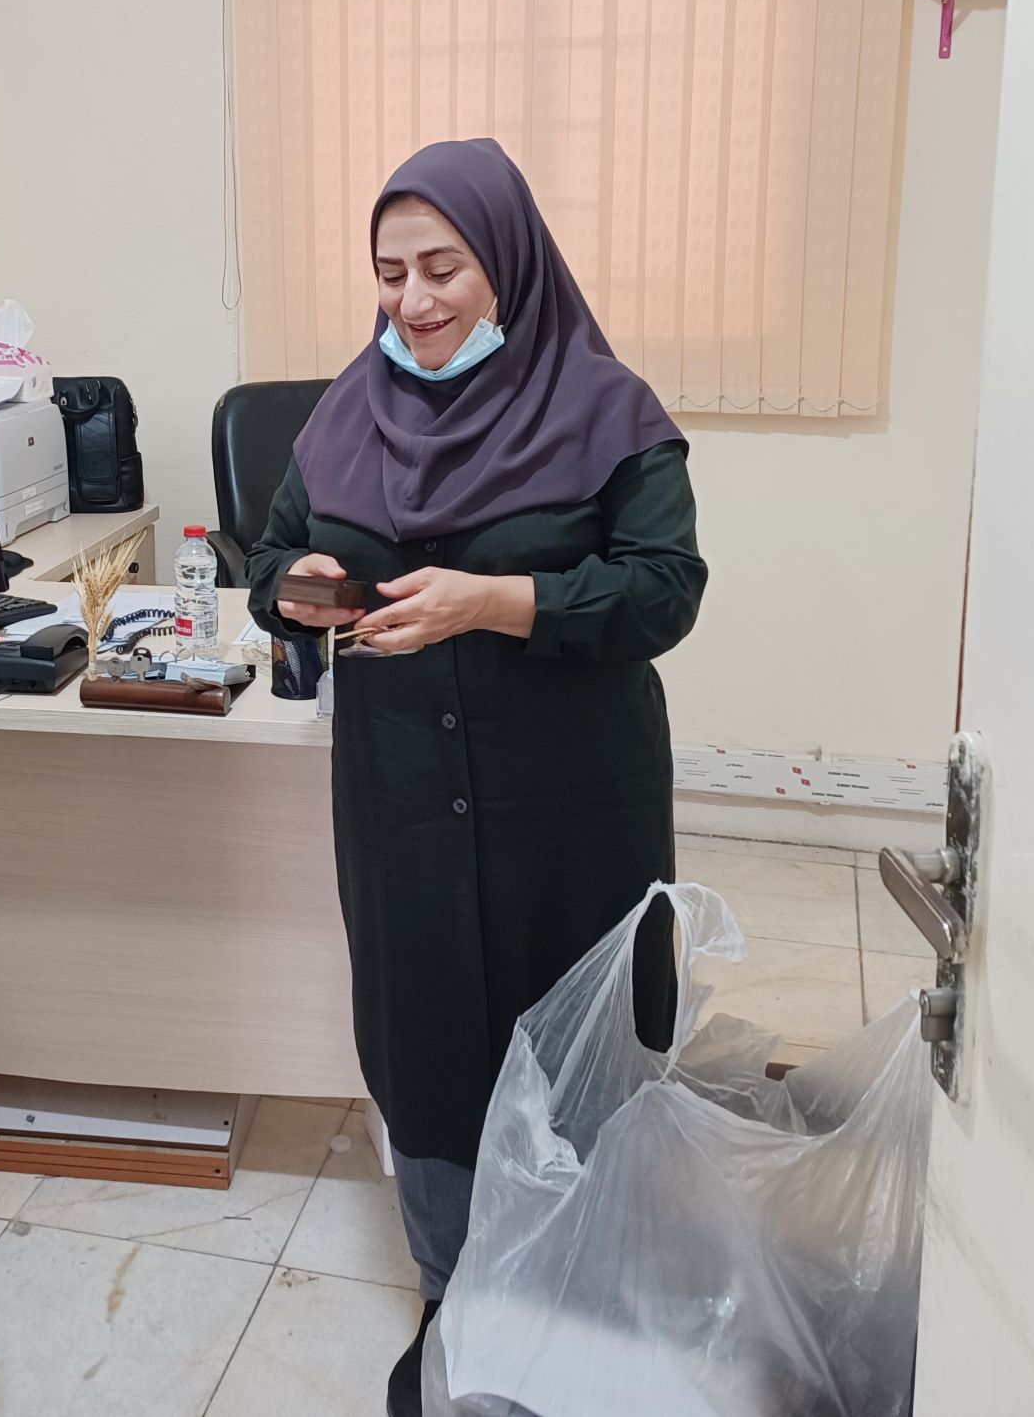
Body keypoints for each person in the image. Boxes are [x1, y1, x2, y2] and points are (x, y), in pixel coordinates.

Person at [248, 138, 706, 1417]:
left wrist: (496, 600)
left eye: (441, 267)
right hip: (400, 805)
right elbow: (272, 552)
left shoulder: (606, 408)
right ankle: (454, 1299)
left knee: (581, 1049)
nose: (412, 299)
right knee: (431, 1045)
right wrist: (291, 590)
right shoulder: (344, 412)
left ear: (506, 264)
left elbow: (663, 590)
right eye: (388, 271)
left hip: (570, 806)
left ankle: (582, 1296)